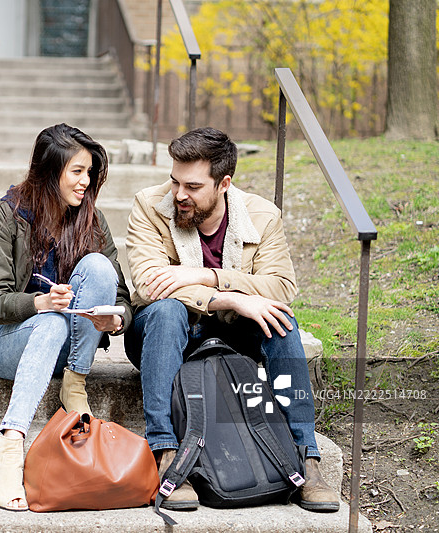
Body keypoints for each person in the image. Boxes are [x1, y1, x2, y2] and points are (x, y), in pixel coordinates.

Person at [124, 127, 340, 513]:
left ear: (224, 183)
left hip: (229, 338)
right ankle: (168, 453)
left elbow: (281, 287)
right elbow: (149, 284)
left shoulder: (261, 215)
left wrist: (208, 276)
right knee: (166, 308)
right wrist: (232, 299)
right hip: (164, 333)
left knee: (280, 318)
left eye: (192, 186)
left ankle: (307, 458)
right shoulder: (149, 204)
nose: (178, 194)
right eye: (175, 181)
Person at [0, 123, 133, 511]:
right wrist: (39, 304)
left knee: (98, 267)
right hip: (3, 341)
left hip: (70, 348)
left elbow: (122, 294)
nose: (85, 182)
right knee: (51, 321)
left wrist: (116, 319)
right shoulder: (5, 215)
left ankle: (73, 385)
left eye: (89, 172)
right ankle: (10, 443)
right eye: (76, 172)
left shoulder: (90, 219)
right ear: (49, 171)